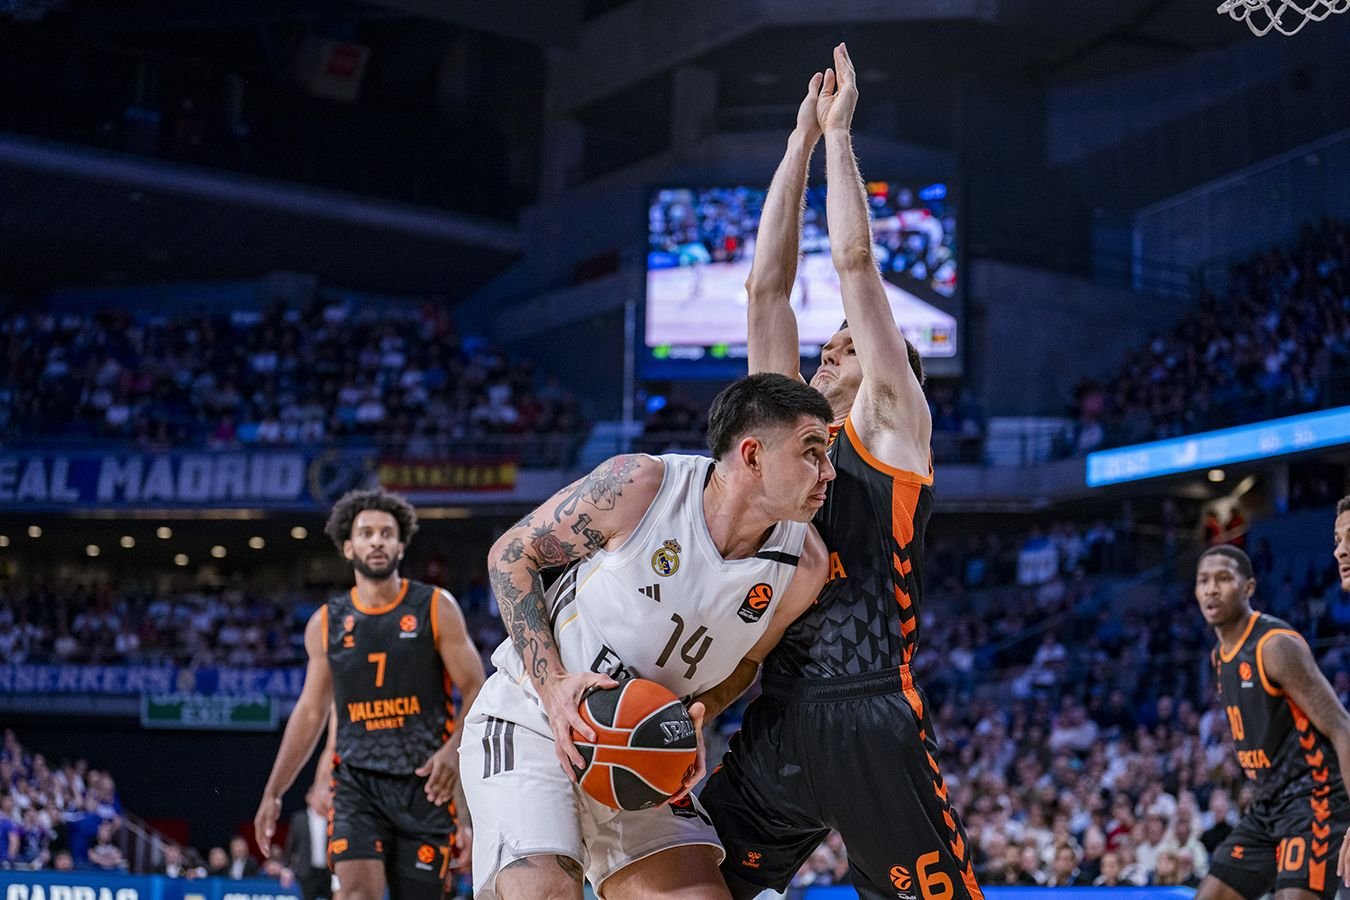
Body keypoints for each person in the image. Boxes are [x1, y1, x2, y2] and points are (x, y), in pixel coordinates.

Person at [698, 43, 983, 900]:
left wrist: (840, 137)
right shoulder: (795, 437)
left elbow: (856, 265)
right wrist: (795, 144)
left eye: (848, 346)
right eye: (830, 343)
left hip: (868, 705)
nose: (828, 350)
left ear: (894, 373)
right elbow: (766, 291)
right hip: (780, 711)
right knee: (690, 881)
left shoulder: (895, 433)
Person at [460, 373, 833, 899]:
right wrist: (554, 686)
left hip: (642, 746)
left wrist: (696, 715)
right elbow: (512, 554)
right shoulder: (641, 486)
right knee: (544, 891)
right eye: (812, 453)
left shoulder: (805, 565)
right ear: (752, 455)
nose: (827, 471)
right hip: (534, 719)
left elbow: (747, 662)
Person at [254, 489, 485, 900]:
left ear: (401, 545)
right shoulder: (326, 623)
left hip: (425, 784)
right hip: (356, 785)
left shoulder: (436, 607)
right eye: (366, 533)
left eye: (386, 533)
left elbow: (476, 689)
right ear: (348, 547)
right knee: (356, 894)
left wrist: (454, 750)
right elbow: (310, 713)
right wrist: (273, 791)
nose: (377, 541)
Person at [1192, 543, 1350, 900]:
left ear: (1248, 587)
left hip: (1315, 798)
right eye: (1203, 581)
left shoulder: (1274, 646)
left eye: (1223, 579)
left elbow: (1342, 727)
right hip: (1266, 804)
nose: (1212, 589)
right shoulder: (1219, 656)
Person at [286, 785, 333, 900]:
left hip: (328, 872)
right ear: (308, 798)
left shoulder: (332, 819)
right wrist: (286, 868)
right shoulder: (299, 819)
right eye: (316, 795)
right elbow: (291, 845)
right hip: (307, 872)